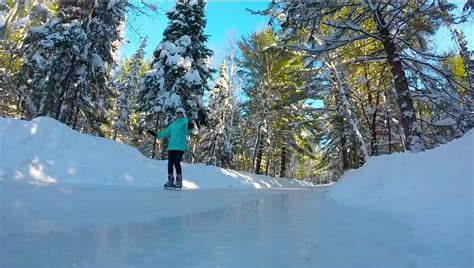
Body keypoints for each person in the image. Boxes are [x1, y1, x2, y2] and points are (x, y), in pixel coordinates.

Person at [147, 107, 193, 189]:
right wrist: (156, 134)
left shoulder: (185, 121)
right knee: (170, 163)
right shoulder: (173, 124)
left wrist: (189, 127)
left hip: (180, 146)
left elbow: (187, 132)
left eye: (180, 112)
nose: (179, 114)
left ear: (183, 114)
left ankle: (179, 181)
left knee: (176, 162)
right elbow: (165, 132)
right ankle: (170, 181)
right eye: (177, 113)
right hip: (171, 146)